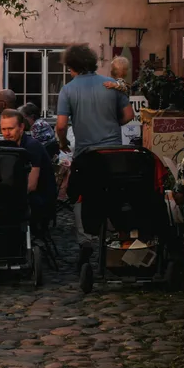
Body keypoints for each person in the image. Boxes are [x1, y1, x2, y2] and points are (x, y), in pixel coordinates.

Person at [55, 44, 134, 262]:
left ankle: (85, 240)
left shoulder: (68, 90)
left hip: (87, 154)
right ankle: (123, 242)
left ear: (71, 66)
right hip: (114, 152)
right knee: (117, 194)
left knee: (80, 194)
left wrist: (63, 144)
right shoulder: (112, 86)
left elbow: (61, 125)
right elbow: (128, 115)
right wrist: (111, 123)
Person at [0, 108, 57, 228]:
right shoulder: (13, 145)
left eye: (10, 129)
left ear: (21, 127)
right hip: (28, 197)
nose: (6, 133)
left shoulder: (31, 146)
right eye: (3, 129)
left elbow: (31, 185)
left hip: (40, 200)